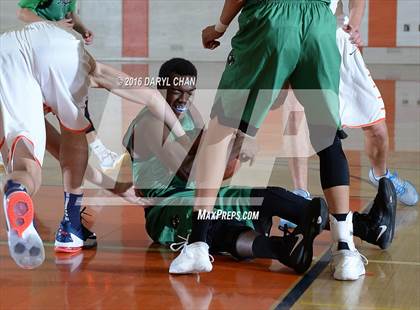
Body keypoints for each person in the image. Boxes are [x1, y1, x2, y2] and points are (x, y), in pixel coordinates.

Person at [169, 0, 396, 281]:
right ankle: (345, 250)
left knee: (220, 131)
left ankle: (198, 245)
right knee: (328, 138)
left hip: (271, 15)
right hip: (320, 24)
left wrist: (219, 27)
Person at [124, 58, 396, 276]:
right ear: (160, 88)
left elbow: (215, 171)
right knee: (241, 212)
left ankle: (335, 236)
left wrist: (235, 147)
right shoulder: (150, 122)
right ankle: (317, 239)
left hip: (197, 199)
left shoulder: (187, 114)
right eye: (176, 91)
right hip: (167, 208)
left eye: (189, 93)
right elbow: (188, 171)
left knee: (253, 211)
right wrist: (234, 139)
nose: (183, 99)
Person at [0, 21, 187, 268]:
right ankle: (70, 226)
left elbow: (64, 155)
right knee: (74, 131)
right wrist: (185, 139)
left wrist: (115, 186)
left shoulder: (24, 96)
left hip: (5, 54)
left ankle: (18, 191)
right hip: (56, 47)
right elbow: (151, 96)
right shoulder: (86, 70)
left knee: (26, 166)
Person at [286, 0, 418, 207]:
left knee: (377, 128)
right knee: (296, 120)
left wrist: (353, 27)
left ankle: (381, 175)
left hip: (338, 42)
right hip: (299, 42)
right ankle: (300, 192)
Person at [17, 0, 125, 171]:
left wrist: (83, 30)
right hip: (39, 49)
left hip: (57, 48)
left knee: (77, 108)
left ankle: (102, 155)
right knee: (31, 110)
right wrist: (52, 25)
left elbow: (70, 15)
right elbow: (23, 13)